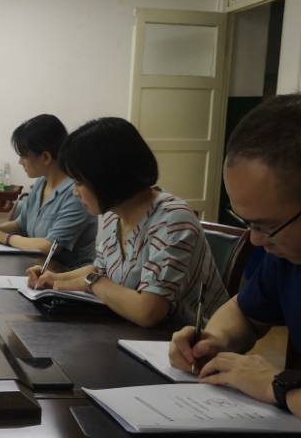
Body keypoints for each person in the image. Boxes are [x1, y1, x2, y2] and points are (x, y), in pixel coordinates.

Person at [169, 93, 301, 438]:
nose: (254, 239)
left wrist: (280, 385)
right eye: (247, 223)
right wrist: (215, 340)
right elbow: (246, 312)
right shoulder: (293, 253)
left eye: (267, 226)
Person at [28, 117, 228, 328]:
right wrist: (56, 279)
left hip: (189, 341)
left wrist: (90, 283)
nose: (75, 192)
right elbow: (101, 272)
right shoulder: (113, 215)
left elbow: (148, 311)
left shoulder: (172, 219)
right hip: (135, 334)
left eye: (79, 182)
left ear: (106, 176)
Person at [0, 114, 97, 268]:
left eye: (23, 156)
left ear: (46, 157)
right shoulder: (41, 183)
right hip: (35, 268)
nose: (20, 162)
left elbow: (49, 246)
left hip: (66, 275)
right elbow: (21, 224)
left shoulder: (76, 193)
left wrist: (4, 237)